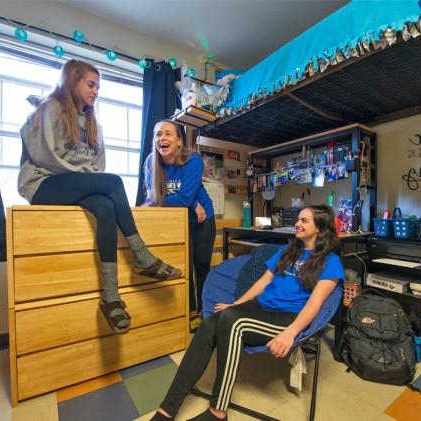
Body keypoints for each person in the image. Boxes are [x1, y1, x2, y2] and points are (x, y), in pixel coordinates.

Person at [18, 59, 181, 334]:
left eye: (98, 86)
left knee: (105, 207)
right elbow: (46, 156)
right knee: (113, 182)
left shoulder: (92, 121)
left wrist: (88, 179)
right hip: (44, 183)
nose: (96, 91)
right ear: (73, 81)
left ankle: (110, 296)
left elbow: (97, 164)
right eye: (90, 84)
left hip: (72, 183)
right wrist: (87, 178)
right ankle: (141, 256)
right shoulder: (51, 107)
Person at [150, 205, 344, 421]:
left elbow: (314, 304)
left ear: (320, 227)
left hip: (286, 318)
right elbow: (264, 281)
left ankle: (218, 411)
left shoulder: (331, 262)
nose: (297, 223)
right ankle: (167, 410)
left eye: (304, 220)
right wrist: (236, 304)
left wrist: (291, 333)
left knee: (234, 322)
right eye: (298, 219)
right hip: (259, 308)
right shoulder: (288, 250)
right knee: (208, 325)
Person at [143, 120, 216, 314]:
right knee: (183, 266)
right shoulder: (151, 162)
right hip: (177, 221)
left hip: (201, 220)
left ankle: (204, 310)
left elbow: (181, 198)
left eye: (168, 134)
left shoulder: (192, 160)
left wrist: (183, 201)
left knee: (201, 267)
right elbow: (154, 196)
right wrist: (190, 202)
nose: (162, 138)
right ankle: (191, 311)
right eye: (158, 134)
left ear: (179, 141)